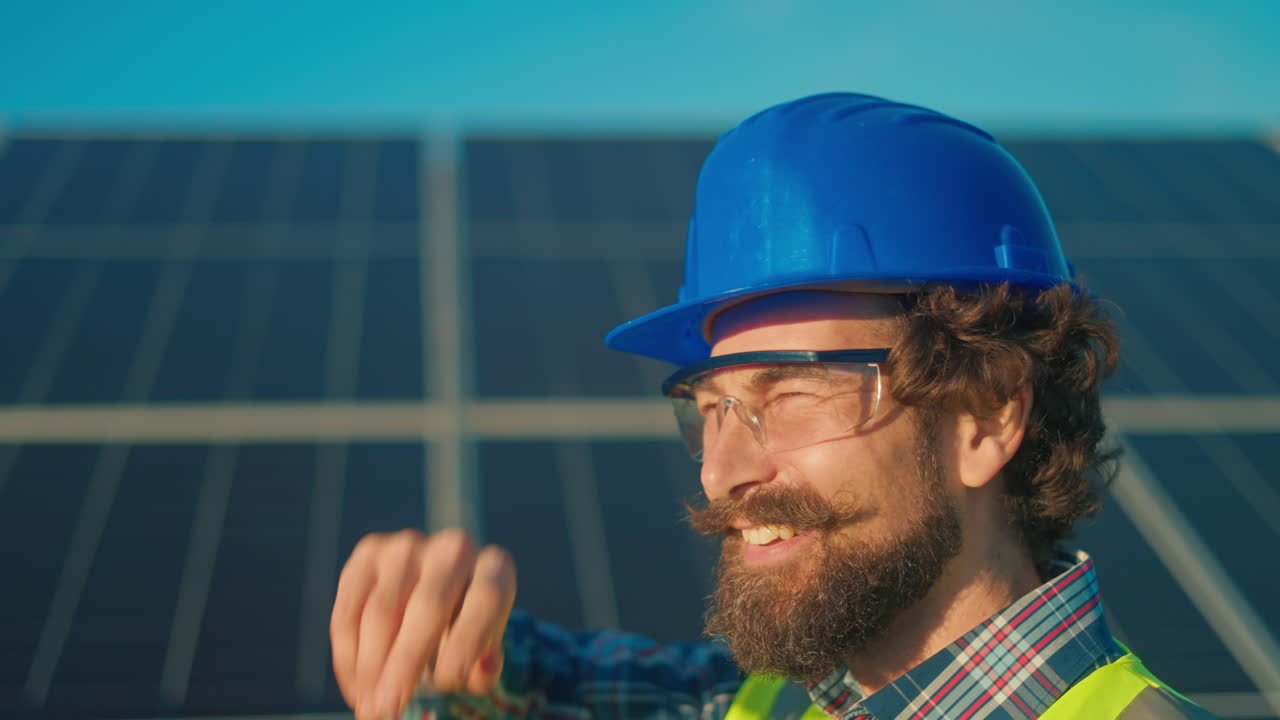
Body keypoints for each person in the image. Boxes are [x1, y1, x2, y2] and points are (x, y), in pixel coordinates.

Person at [329, 93, 1217, 720]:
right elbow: (589, 690)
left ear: (984, 415)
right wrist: (457, 641)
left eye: (792, 391)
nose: (722, 471)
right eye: (710, 406)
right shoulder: (778, 699)